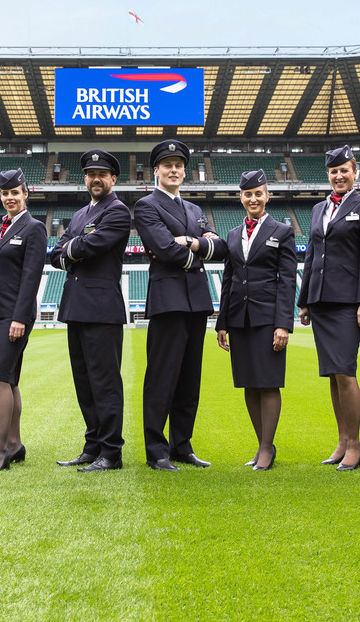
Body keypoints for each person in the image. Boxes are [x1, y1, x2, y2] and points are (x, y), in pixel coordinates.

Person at [133, 139, 223, 471]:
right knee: (161, 377)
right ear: (156, 170)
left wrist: (188, 242)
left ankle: (181, 445)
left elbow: (223, 248)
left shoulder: (195, 210)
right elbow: (164, 249)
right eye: (167, 165)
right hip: (168, 302)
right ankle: (156, 449)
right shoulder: (146, 206)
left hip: (196, 302)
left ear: (185, 171)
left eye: (179, 165)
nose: (174, 170)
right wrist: (198, 252)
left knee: (189, 378)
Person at [297, 144, 360, 471]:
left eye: (344, 170)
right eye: (334, 172)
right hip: (320, 302)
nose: (339, 176)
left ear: (355, 172)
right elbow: (310, 256)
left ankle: (355, 445)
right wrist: (304, 299)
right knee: (332, 375)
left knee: (345, 373)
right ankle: (341, 440)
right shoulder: (319, 208)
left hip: (349, 303)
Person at [49, 149, 131, 473]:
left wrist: (71, 248)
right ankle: (93, 446)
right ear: (85, 178)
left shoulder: (118, 211)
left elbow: (91, 246)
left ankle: (111, 452)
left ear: (113, 178)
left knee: (105, 383)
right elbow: (56, 254)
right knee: (84, 382)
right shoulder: (82, 215)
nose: (95, 178)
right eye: (90, 173)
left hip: (101, 308)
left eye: (102, 174)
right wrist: (73, 247)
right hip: (76, 306)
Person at [215, 170, 297, 471]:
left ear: (267, 196)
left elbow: (288, 281)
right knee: (249, 384)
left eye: (258, 193)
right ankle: (262, 443)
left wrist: (283, 324)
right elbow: (228, 280)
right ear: (241, 198)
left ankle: (266, 447)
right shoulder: (233, 235)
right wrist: (221, 322)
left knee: (268, 383)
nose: (253, 199)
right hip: (238, 319)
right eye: (248, 194)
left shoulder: (282, 232)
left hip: (267, 318)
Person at [0, 169, 47, 472]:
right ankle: (15, 444)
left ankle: (1, 450)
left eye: (15, 193)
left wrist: (19, 318)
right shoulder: (1, 229)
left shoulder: (34, 228)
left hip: (14, 316)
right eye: (5, 194)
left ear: (25, 194)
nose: (9, 198)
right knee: (10, 379)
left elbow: (31, 277)